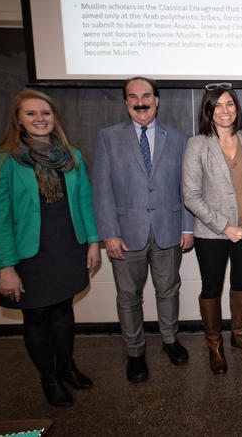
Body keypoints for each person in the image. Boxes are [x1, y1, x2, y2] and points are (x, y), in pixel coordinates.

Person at [0, 89, 101, 407]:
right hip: (27, 254)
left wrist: (92, 241)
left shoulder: (71, 156)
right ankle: (49, 378)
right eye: (31, 113)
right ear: (18, 119)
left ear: (54, 118)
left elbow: (85, 203)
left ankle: (68, 368)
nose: (39, 119)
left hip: (66, 247)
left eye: (45, 113)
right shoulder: (2, 160)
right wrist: (6, 267)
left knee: (63, 310)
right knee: (35, 317)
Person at [91, 76, 194, 383]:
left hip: (168, 230)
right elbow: (102, 189)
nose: (140, 102)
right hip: (125, 234)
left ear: (156, 100)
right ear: (126, 103)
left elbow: (183, 187)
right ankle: (135, 352)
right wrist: (109, 233)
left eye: (146, 95)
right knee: (128, 297)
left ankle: (169, 340)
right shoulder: (108, 137)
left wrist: (187, 226)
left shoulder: (177, 137)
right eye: (133, 97)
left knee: (168, 290)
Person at [182, 83, 242, 375]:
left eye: (230, 104)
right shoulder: (197, 144)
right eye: (218, 105)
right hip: (212, 234)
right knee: (211, 287)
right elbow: (190, 194)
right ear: (208, 110)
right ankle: (214, 344)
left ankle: (239, 336)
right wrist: (225, 227)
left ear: (237, 109)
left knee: (241, 284)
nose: (225, 110)